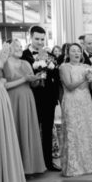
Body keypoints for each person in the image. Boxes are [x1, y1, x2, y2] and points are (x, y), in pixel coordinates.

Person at [1, 39, 47, 175]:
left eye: (21, 46)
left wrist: (37, 79)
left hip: (28, 99)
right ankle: (16, 169)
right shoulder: (3, 63)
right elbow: (3, 86)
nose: (20, 48)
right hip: (12, 99)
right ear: (8, 48)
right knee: (15, 130)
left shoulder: (26, 63)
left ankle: (31, 167)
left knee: (28, 130)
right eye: (16, 46)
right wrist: (24, 79)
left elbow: (32, 84)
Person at [58, 43, 92, 177]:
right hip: (71, 101)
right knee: (73, 132)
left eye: (78, 51)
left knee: (87, 131)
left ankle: (88, 165)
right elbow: (69, 86)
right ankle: (73, 167)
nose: (76, 53)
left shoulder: (87, 67)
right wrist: (84, 78)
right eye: (73, 51)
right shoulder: (64, 67)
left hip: (86, 101)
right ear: (68, 53)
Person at [0, 48, 30, 182]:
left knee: (3, 145)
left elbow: (4, 78)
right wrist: (0, 62)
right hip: (0, 95)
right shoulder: (1, 60)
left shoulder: (22, 62)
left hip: (1, 95)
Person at [22, 26, 61, 171]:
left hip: (48, 99)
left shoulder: (50, 55)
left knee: (47, 131)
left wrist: (51, 67)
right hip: (31, 98)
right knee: (32, 131)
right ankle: (32, 164)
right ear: (30, 37)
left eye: (42, 39)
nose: (39, 42)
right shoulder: (23, 55)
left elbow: (56, 78)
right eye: (37, 39)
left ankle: (48, 163)